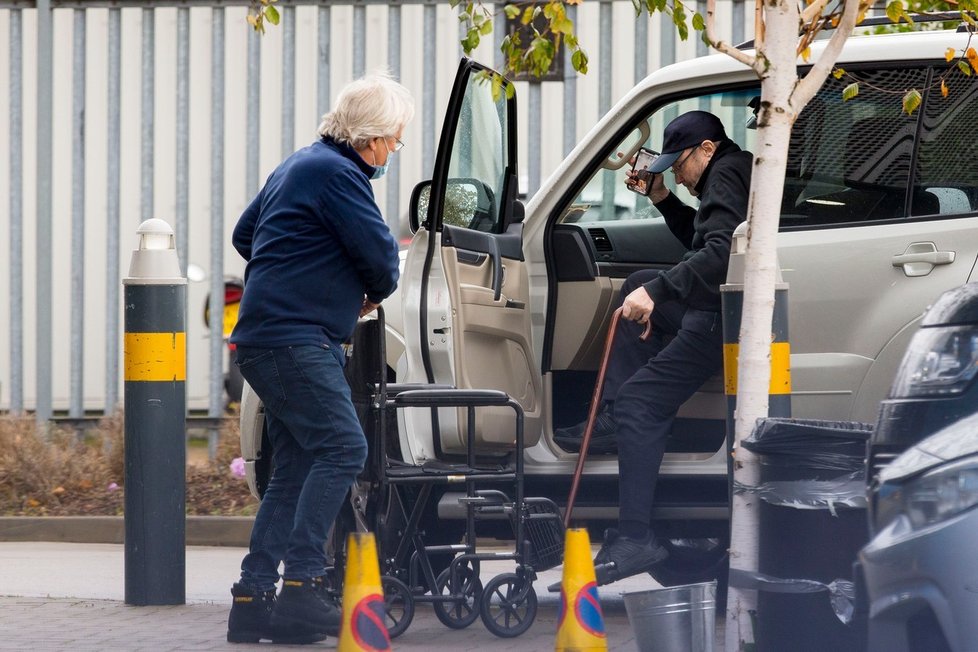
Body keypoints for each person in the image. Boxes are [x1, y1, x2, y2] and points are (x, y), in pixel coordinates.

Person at [225, 71, 413, 644]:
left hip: (267, 338)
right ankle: (304, 590)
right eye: (395, 141)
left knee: (294, 469)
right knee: (344, 446)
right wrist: (330, 285)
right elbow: (383, 263)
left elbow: (245, 233)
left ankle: (253, 600)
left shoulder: (299, 164)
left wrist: (301, 269)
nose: (393, 152)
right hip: (295, 340)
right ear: (373, 138)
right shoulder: (341, 175)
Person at [555, 110, 753, 585]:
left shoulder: (725, 171)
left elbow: (721, 253)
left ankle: (636, 536)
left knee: (642, 403)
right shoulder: (729, 171)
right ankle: (613, 413)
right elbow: (703, 238)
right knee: (635, 288)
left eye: (678, 165)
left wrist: (661, 292)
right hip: (713, 310)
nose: (675, 175)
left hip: (716, 321)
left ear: (706, 149)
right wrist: (662, 199)